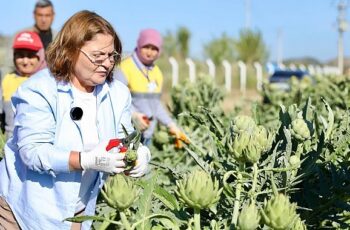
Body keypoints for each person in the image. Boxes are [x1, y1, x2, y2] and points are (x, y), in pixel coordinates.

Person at [0, 10, 151, 230]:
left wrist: (138, 156)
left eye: (112, 56)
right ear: (70, 50)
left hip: (77, 211)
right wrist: (87, 160)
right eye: (98, 56)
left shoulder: (118, 94)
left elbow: (124, 138)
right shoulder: (39, 89)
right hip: (24, 209)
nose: (107, 63)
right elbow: (32, 152)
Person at [116, 28, 188, 146]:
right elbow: (115, 101)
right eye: (146, 47)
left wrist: (171, 125)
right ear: (139, 46)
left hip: (147, 135)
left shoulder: (157, 72)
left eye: (154, 48)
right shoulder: (124, 68)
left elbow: (155, 106)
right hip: (126, 135)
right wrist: (133, 115)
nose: (150, 52)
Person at [1, 31, 46, 139]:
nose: (25, 61)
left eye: (31, 56)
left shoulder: (48, 81)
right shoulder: (7, 79)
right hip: (11, 146)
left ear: (40, 56)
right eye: (20, 56)